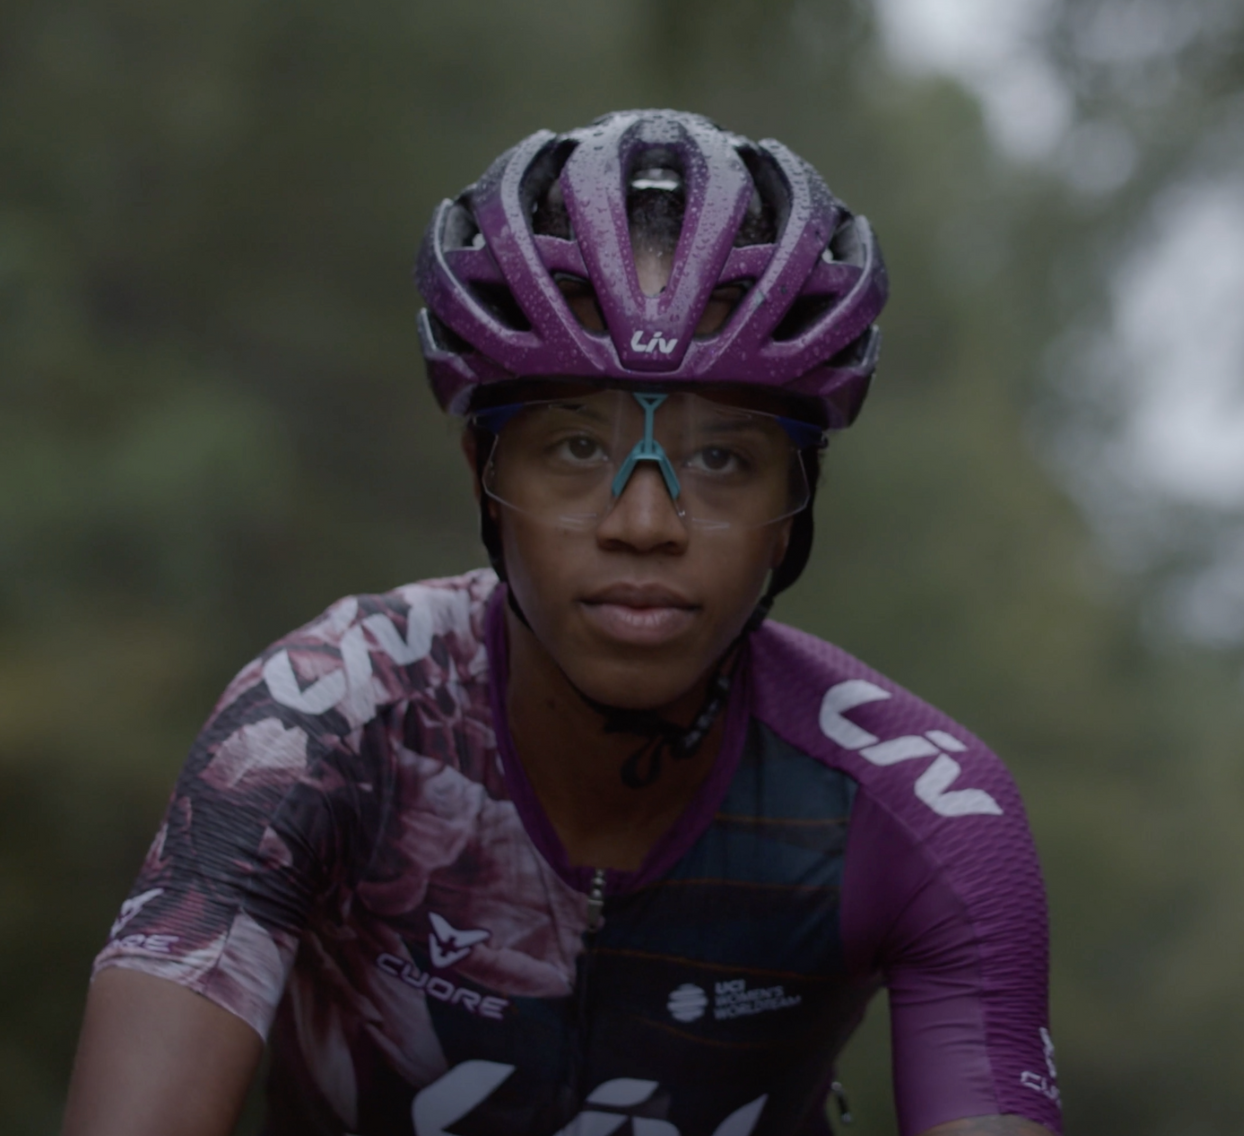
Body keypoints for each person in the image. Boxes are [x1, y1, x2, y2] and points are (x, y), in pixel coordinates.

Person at [62, 110, 1062, 1136]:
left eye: (721, 459)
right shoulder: (318, 729)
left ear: (793, 505)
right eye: (577, 445)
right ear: (483, 479)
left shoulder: (925, 812)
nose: (642, 524)